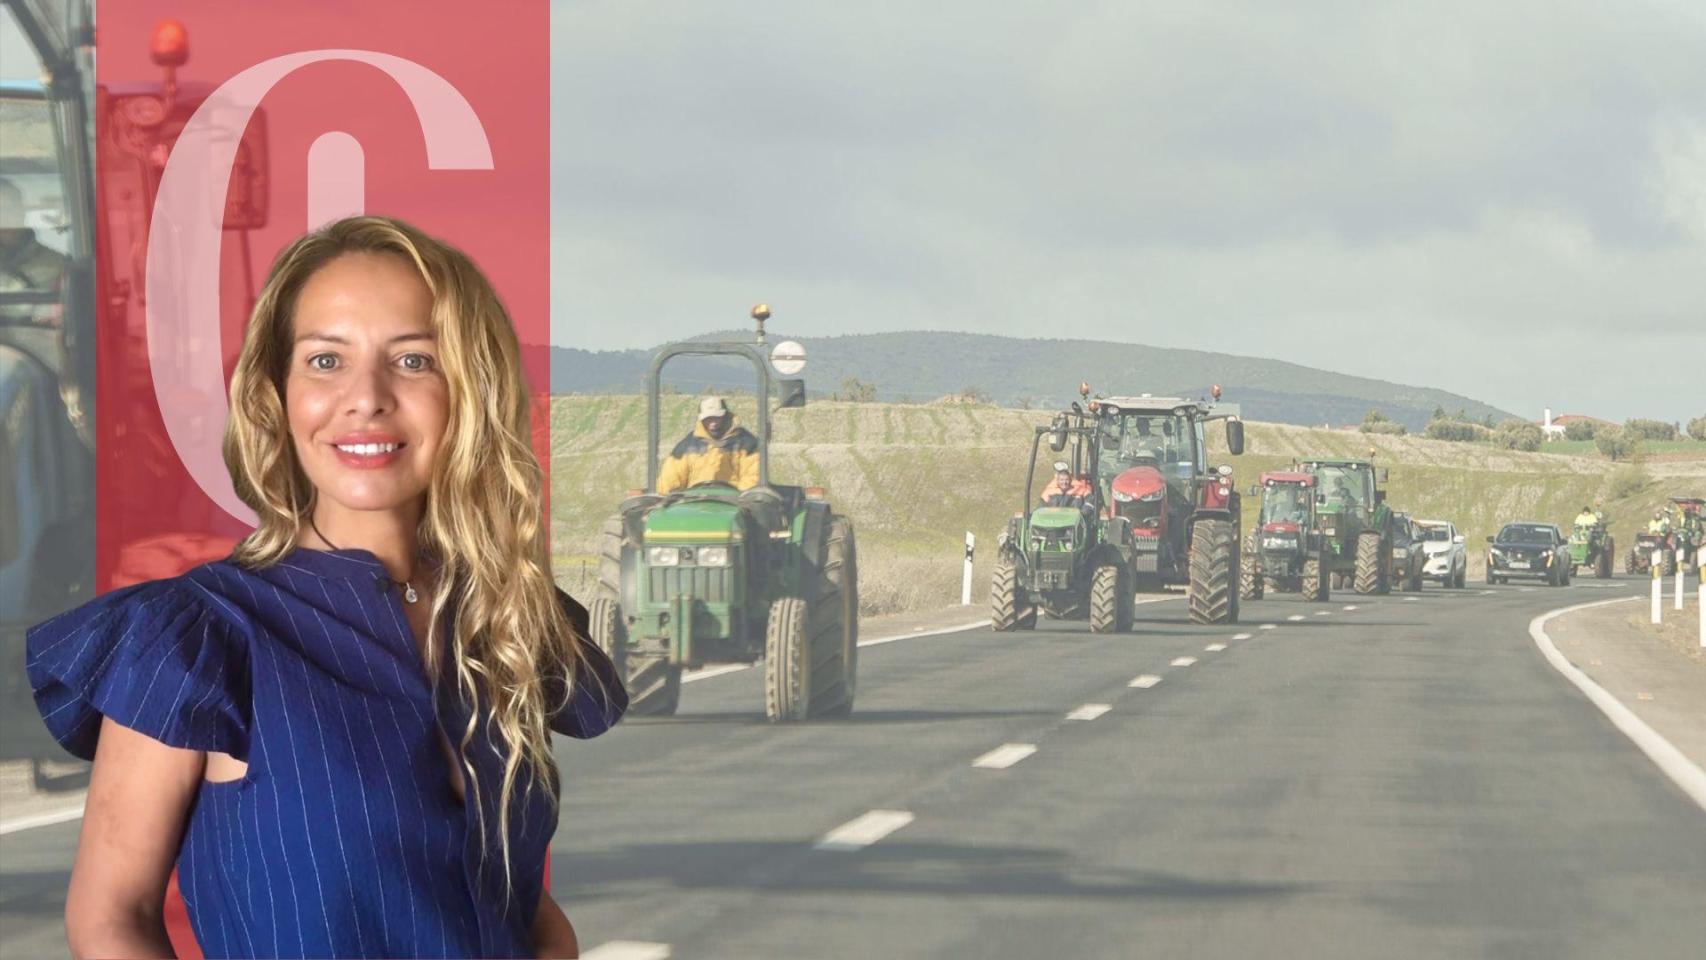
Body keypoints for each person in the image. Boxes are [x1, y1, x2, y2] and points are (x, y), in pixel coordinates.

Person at [25, 216, 626, 958]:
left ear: (469, 389)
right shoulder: (197, 635)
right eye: (324, 361)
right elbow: (111, 919)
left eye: (412, 361)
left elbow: (526, 913)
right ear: (276, 393)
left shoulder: (506, 621)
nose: (365, 397)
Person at [656, 395, 760, 495]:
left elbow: (753, 477)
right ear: (701, 420)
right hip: (694, 502)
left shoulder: (747, 443)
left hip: (733, 503)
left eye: (716, 418)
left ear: (725, 417)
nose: (712, 423)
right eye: (708, 419)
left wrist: (738, 497)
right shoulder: (686, 447)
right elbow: (669, 480)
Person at [0, 177, 65, 323]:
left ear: (22, 212)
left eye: (10, 208)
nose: (5, 216)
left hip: (40, 343)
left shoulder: (59, 266)